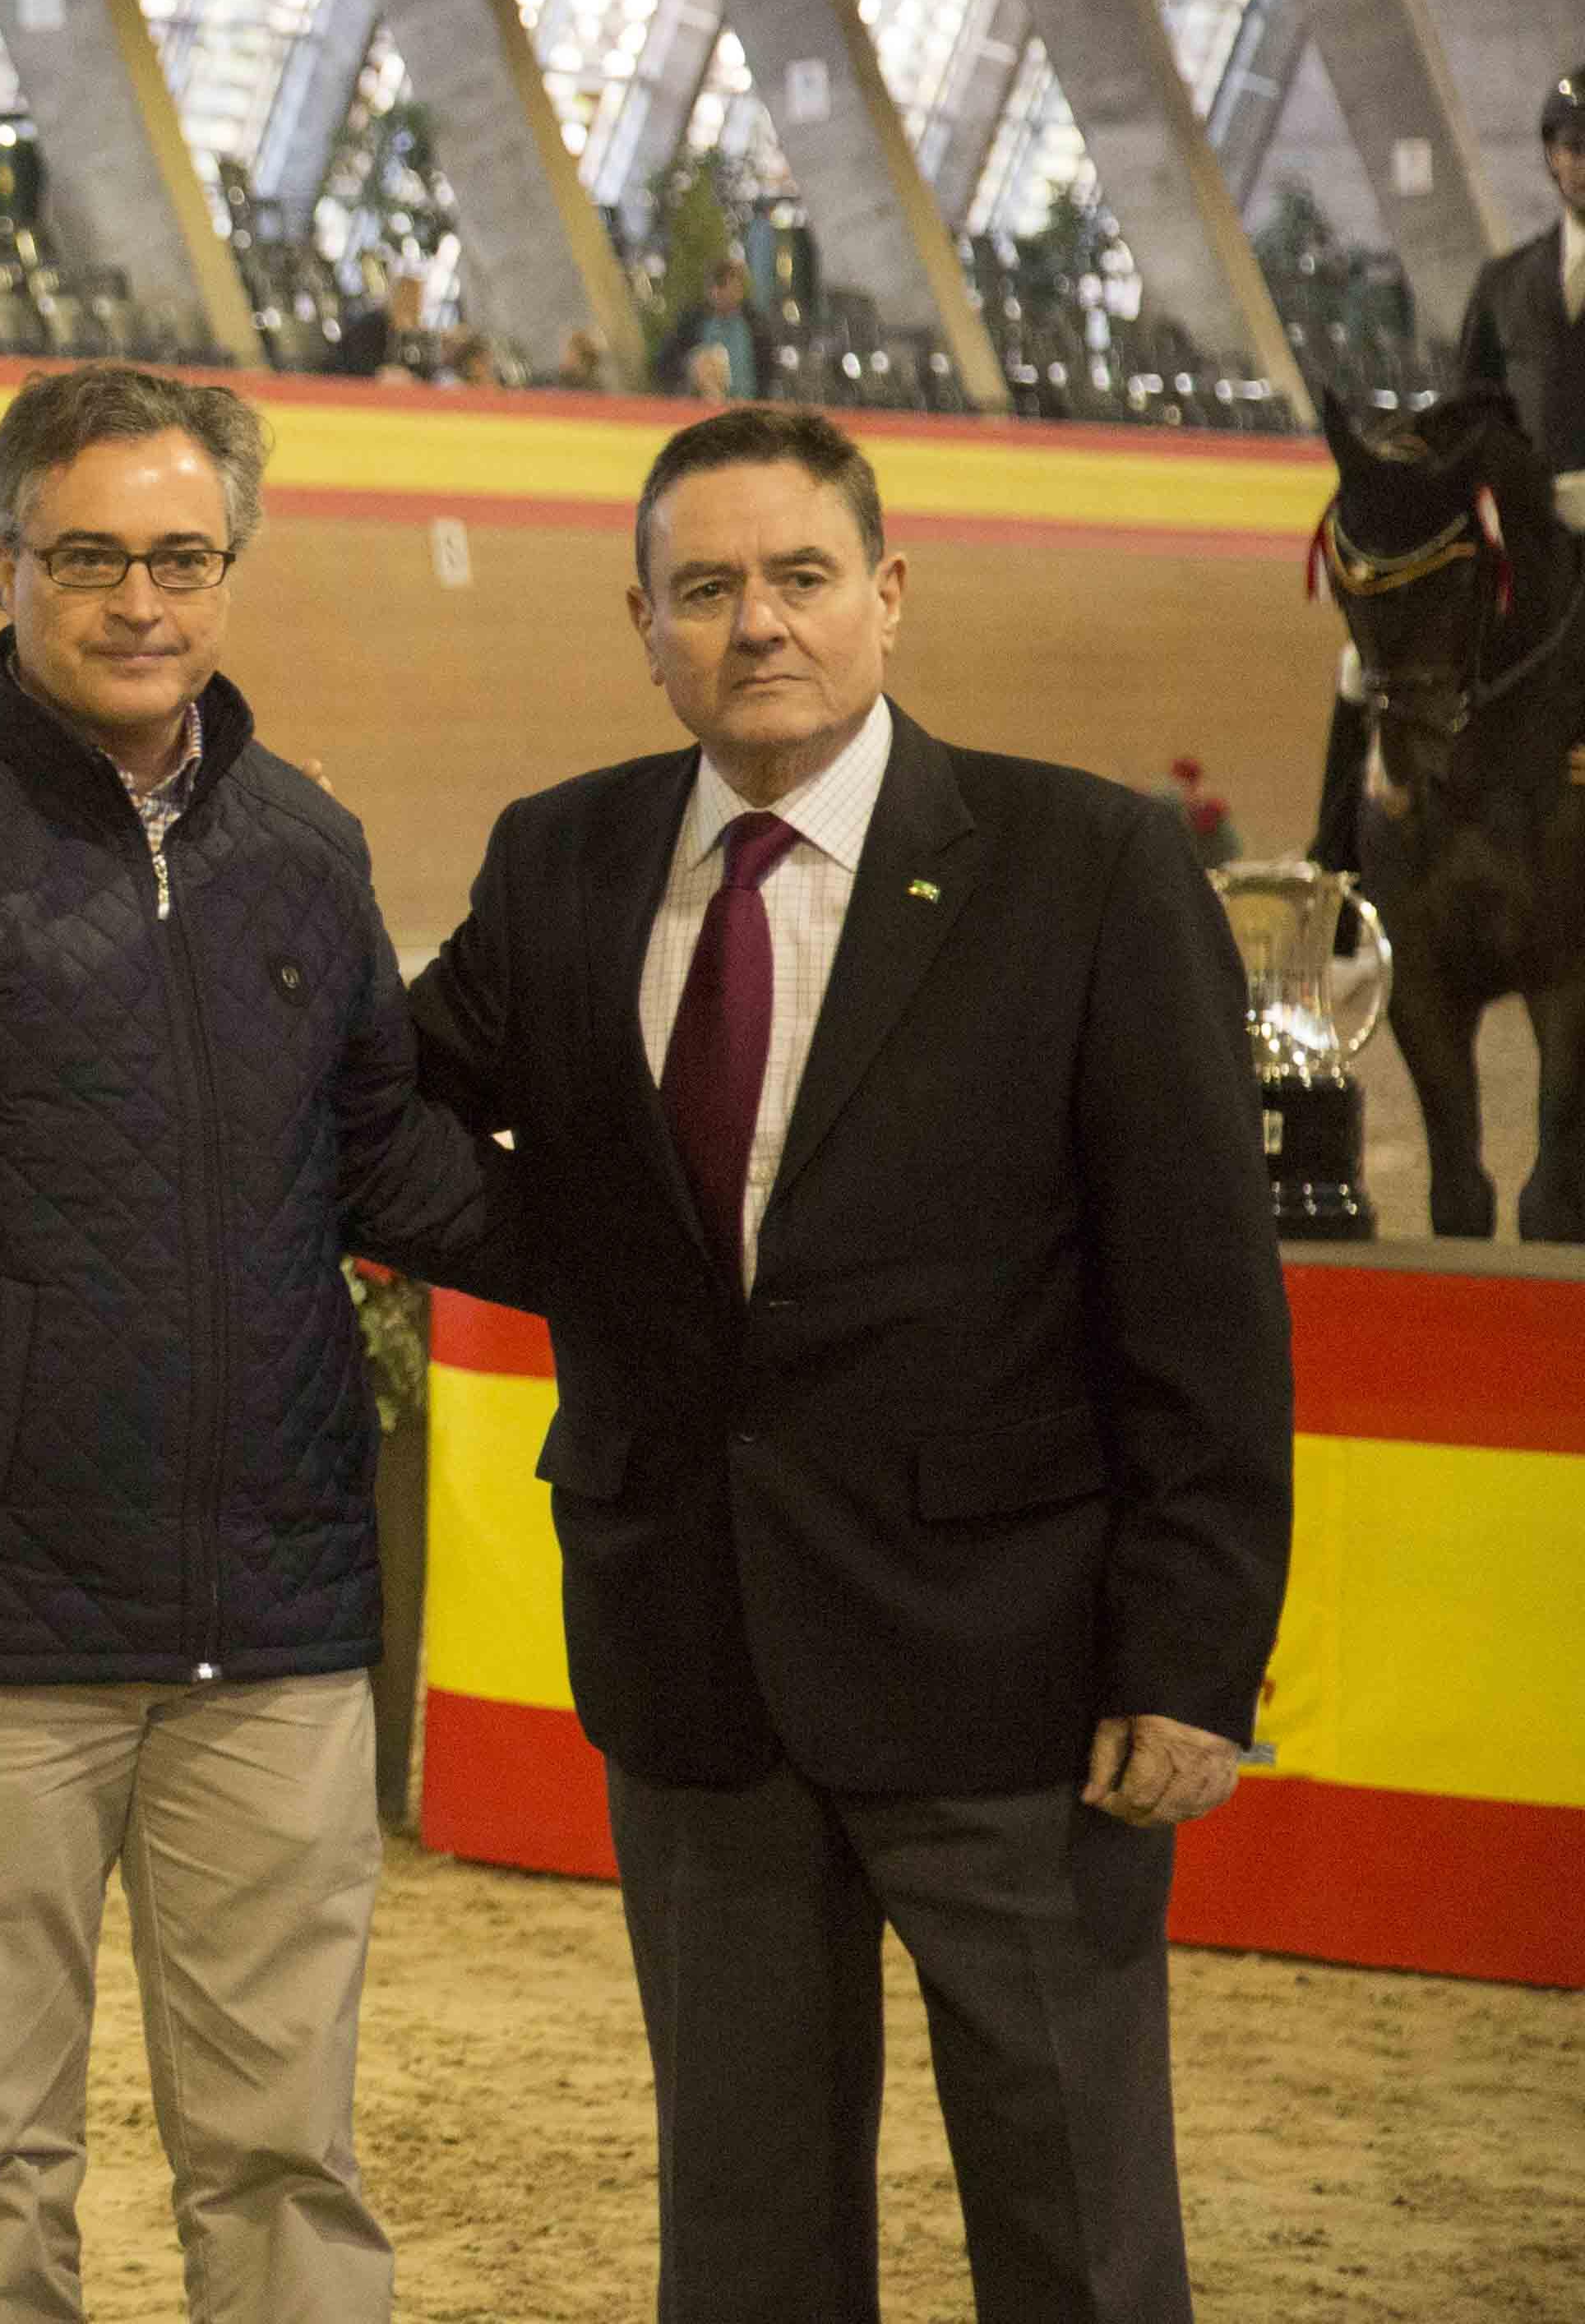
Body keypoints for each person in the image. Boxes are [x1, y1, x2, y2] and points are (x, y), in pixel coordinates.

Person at [408, 404, 1291, 2324]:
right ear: (638, 622)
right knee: (738, 2243)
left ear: (883, 596)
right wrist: (562, 1259)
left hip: (1015, 1681)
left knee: (1068, 2226)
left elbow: (1201, 1298)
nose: (754, 626)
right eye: (702, 589)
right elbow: (393, 1115)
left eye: (796, 578)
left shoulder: (1086, 865)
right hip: (693, 1668)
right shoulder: (554, 860)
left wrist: (1186, 1650)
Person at [0, 362, 508, 2324]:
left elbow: (380, 1155)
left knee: (287, 2153)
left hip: (277, 1634)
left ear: (229, 567)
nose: (138, 600)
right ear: (2, 559)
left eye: (178, 557)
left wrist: (680, 1225)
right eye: (89, 556)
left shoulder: (300, 843)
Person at [1324, 61, 1585, 862]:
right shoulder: (1505, 283)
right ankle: (1336, 866)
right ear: (1550, 155)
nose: (1582, 161)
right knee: (1363, 662)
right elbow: (1471, 405)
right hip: (1527, 519)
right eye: (1570, 145)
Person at [664, 252, 768, 400]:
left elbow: (769, 374)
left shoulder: (756, 326)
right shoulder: (692, 322)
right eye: (719, 285)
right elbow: (665, 364)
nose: (723, 293)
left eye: (731, 285)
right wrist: (689, 366)